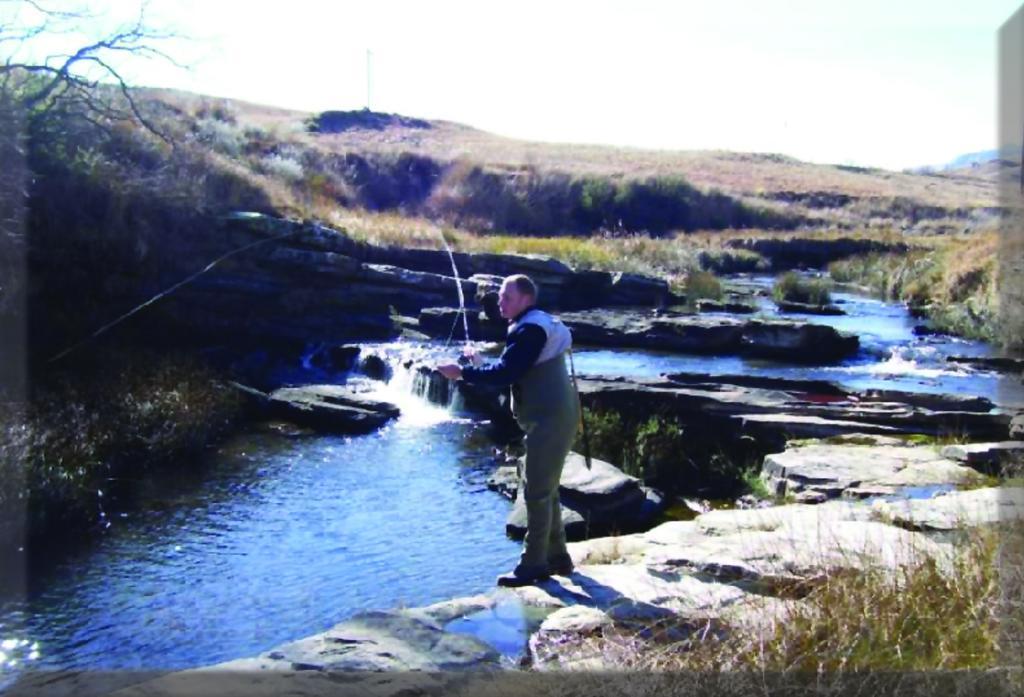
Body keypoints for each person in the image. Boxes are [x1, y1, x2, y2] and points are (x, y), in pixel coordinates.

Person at [437, 274, 580, 587]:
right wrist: (479, 363)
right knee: (544, 487)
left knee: (537, 491)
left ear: (526, 299)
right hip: (551, 417)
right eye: (501, 297)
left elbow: (507, 373)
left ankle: (533, 565)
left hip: (550, 420)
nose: (499, 303)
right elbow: (513, 367)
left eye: (507, 298)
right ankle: (558, 557)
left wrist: (461, 372)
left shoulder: (528, 329)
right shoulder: (533, 324)